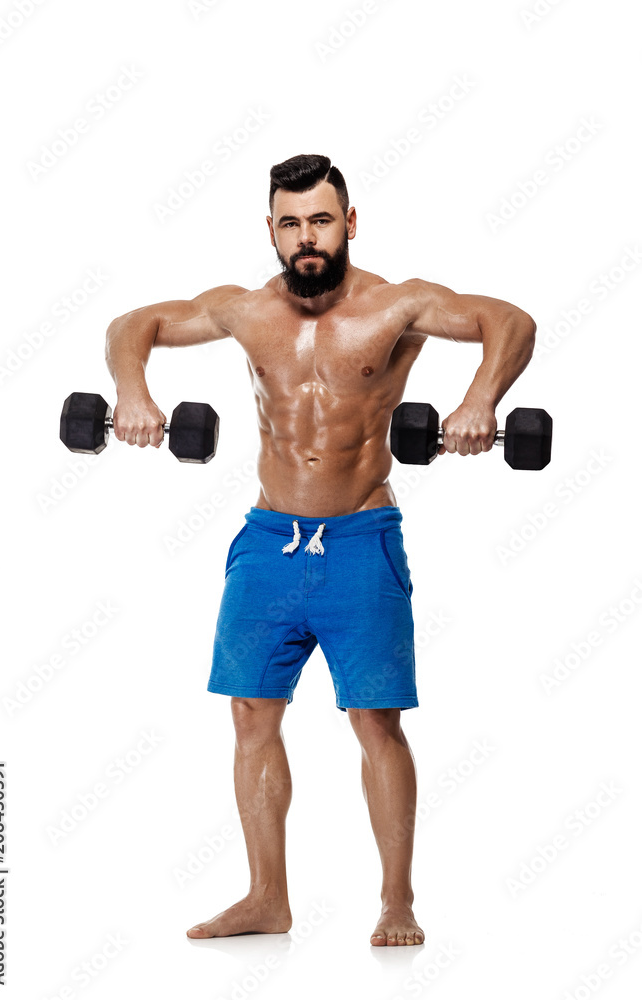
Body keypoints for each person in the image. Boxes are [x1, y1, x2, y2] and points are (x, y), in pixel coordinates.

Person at [104, 153, 536, 947]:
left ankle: (396, 901)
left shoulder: (398, 305)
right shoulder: (242, 310)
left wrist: (480, 402)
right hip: (268, 540)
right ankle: (266, 897)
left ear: (350, 222)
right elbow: (136, 325)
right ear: (271, 229)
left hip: (360, 539)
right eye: (292, 223)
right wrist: (134, 392)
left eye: (322, 220)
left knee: (374, 721)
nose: (308, 238)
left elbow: (509, 321)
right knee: (250, 714)